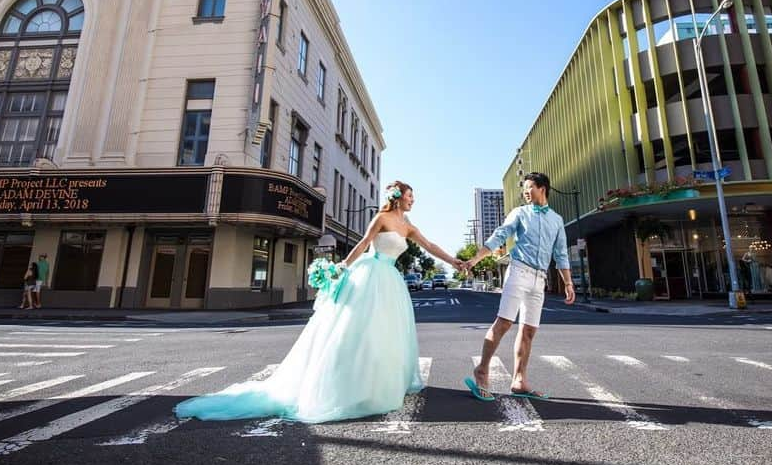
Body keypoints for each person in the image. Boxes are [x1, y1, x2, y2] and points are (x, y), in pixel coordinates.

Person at [174, 180, 462, 423]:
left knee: (386, 333)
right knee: (356, 330)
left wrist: (454, 261)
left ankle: (381, 382)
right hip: (370, 276)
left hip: (391, 281)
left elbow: (430, 245)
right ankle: (348, 383)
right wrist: (343, 267)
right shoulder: (382, 219)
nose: (413, 201)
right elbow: (363, 244)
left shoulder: (407, 225)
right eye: (411, 197)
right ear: (398, 198)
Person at [462, 172, 573, 402]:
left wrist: (568, 283)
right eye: (524, 188)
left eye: (529, 186)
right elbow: (499, 236)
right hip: (519, 271)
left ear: (542, 188)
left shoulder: (557, 220)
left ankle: (519, 380)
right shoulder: (520, 213)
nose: (525, 191)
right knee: (504, 322)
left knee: (529, 330)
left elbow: (561, 253)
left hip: (539, 278)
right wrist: (475, 259)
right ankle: (482, 370)